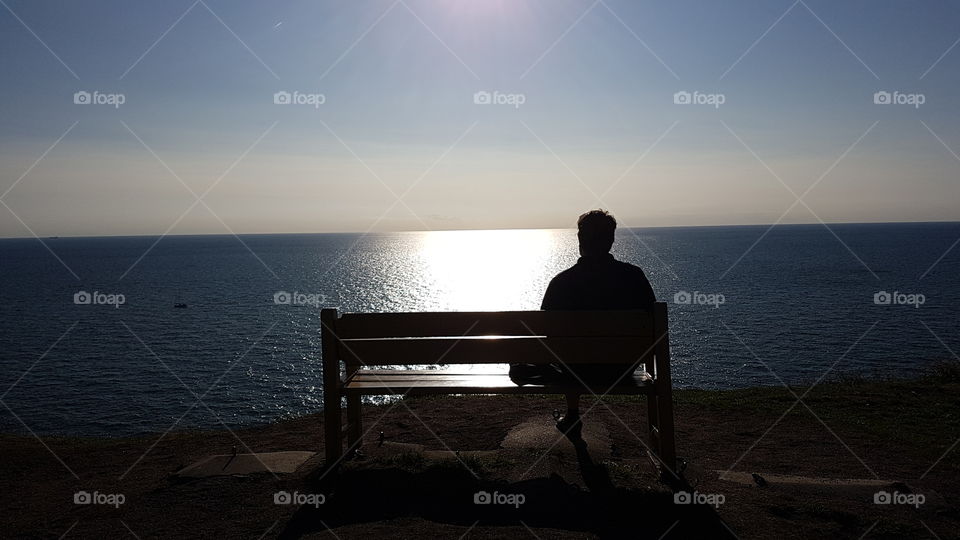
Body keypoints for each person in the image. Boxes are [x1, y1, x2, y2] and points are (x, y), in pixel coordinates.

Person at [509, 209, 656, 438]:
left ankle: (572, 414)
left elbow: (549, 335)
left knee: (569, 355)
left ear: (580, 239)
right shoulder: (634, 276)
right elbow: (652, 322)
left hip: (575, 370)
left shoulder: (561, 283)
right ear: (611, 239)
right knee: (572, 355)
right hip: (622, 369)